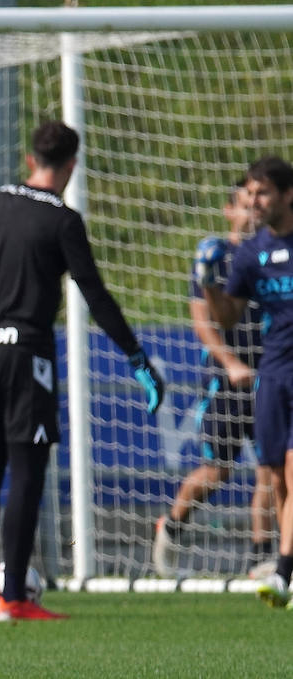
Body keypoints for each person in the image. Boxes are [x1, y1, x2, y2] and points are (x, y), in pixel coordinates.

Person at [0, 120, 164, 622]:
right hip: (26, 356)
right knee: (27, 471)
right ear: (71, 166)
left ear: (29, 160)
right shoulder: (63, 220)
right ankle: (15, 597)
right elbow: (95, 294)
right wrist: (137, 359)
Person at [153, 183, 274, 579]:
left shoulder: (272, 255)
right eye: (243, 206)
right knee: (217, 472)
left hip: (271, 375)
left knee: (270, 471)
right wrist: (231, 363)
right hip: (226, 380)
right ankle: (172, 524)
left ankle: (262, 558)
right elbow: (202, 322)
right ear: (228, 211)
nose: (251, 212)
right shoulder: (215, 257)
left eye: (257, 204)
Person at [199, 156, 293, 609]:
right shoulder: (250, 253)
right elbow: (228, 317)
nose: (254, 202)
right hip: (273, 373)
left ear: (287, 196)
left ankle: (283, 569)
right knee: (274, 476)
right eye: (250, 194)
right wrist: (208, 284)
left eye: (263, 194)